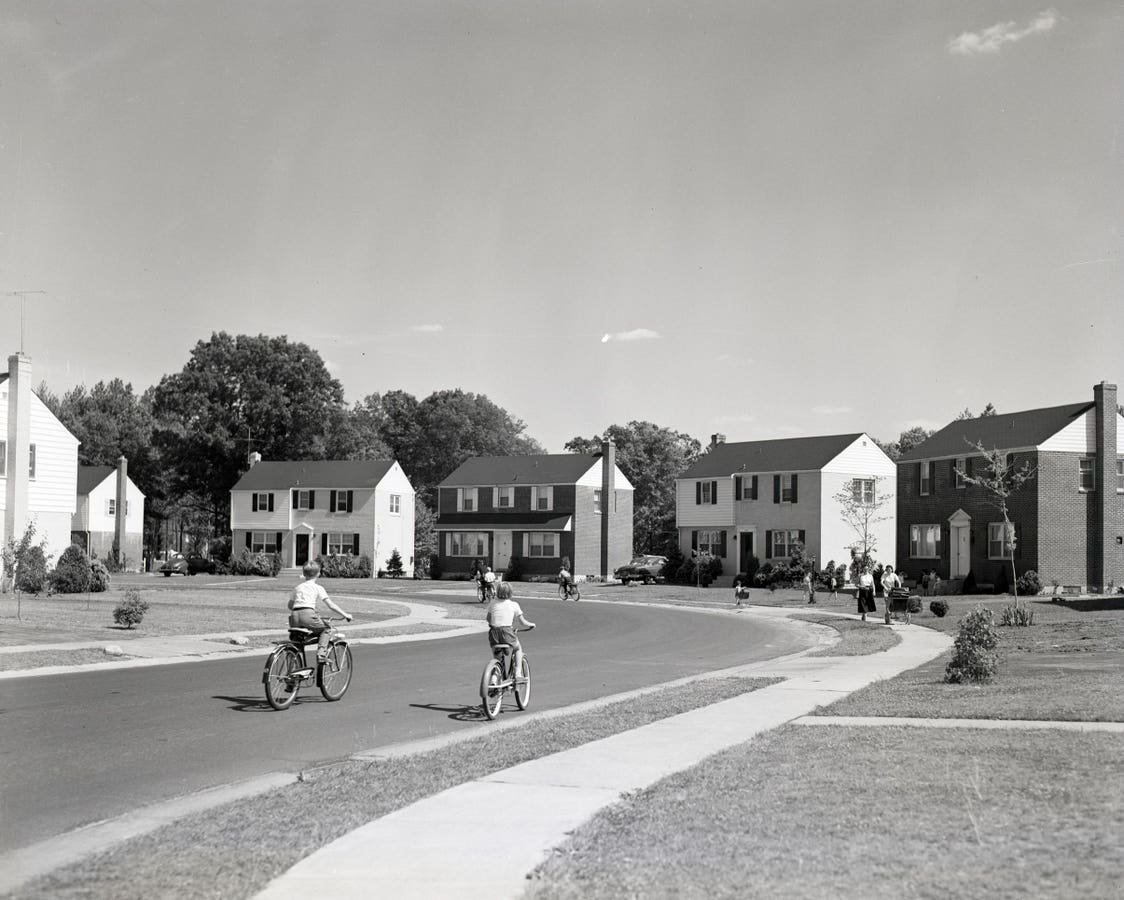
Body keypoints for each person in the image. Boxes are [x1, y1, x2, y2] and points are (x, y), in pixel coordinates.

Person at [288, 561, 352, 662]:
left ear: (304, 573)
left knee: (298, 641)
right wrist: (345, 614)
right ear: (319, 573)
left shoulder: (298, 588)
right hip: (308, 616)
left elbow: (290, 605)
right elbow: (331, 605)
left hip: (294, 616)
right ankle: (321, 655)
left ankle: (294, 662)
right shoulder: (318, 588)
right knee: (326, 629)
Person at [485, 589, 536, 680]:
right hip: (507, 632)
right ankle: (518, 673)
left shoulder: (493, 603)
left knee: (497, 655)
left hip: (493, 633)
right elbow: (522, 622)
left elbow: (488, 619)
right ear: (510, 593)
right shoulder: (514, 604)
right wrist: (531, 624)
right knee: (517, 648)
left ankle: (494, 677)